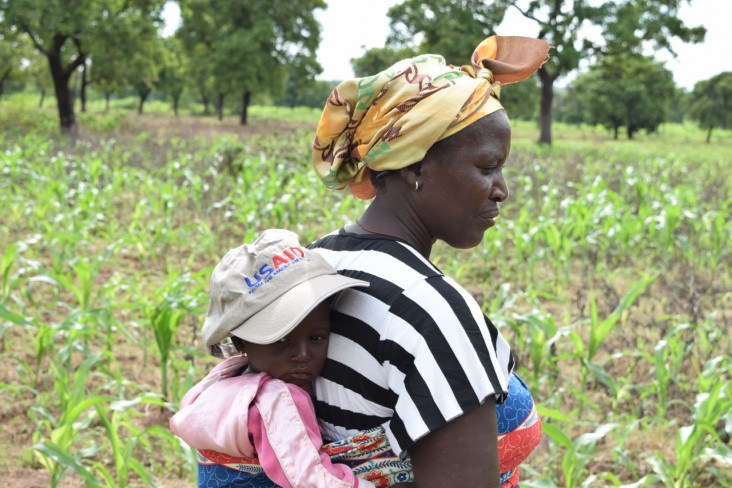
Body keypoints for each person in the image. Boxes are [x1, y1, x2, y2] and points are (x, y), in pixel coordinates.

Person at [308, 35, 550, 487]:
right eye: (486, 167)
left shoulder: (314, 261)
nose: (502, 189)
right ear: (414, 166)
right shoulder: (429, 311)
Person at [170, 228, 388, 488]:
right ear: (240, 342)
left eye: (317, 338)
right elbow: (307, 478)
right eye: (282, 339)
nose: (303, 354)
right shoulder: (276, 401)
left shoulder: (223, 380)